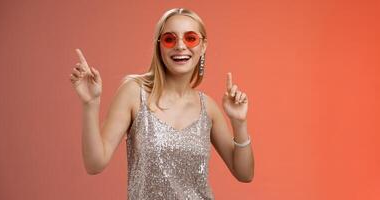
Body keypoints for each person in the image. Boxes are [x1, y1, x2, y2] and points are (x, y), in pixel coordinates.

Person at [70, 8, 254, 200]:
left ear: (203, 45)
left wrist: (239, 122)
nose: (180, 46)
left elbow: (245, 174)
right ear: (159, 46)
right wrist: (90, 104)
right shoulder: (134, 93)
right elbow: (94, 164)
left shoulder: (208, 107)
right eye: (169, 39)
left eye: (190, 38)